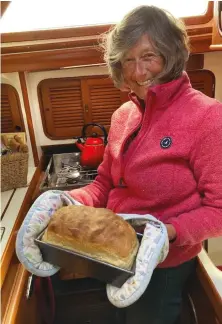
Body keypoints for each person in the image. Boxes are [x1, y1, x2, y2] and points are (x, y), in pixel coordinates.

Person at [67, 5, 222, 324]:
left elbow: (219, 210)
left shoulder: (208, 118)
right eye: (128, 59)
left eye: (149, 55)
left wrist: (166, 233)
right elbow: (104, 185)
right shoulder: (123, 115)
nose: (138, 72)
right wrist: (71, 202)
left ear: (172, 54)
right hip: (115, 251)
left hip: (163, 265)